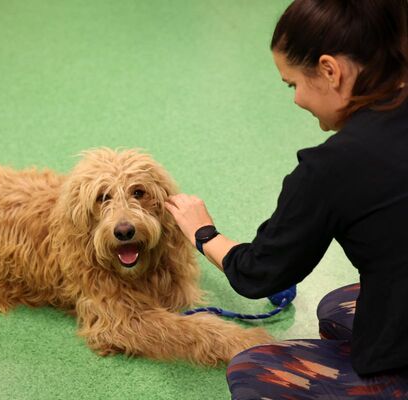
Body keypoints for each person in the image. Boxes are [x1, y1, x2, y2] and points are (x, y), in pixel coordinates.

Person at [165, 0, 408, 398]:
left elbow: (260, 274)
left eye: (292, 84)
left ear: (330, 70)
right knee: (334, 310)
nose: (295, 100)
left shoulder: (332, 167)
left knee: (252, 369)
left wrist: (203, 233)